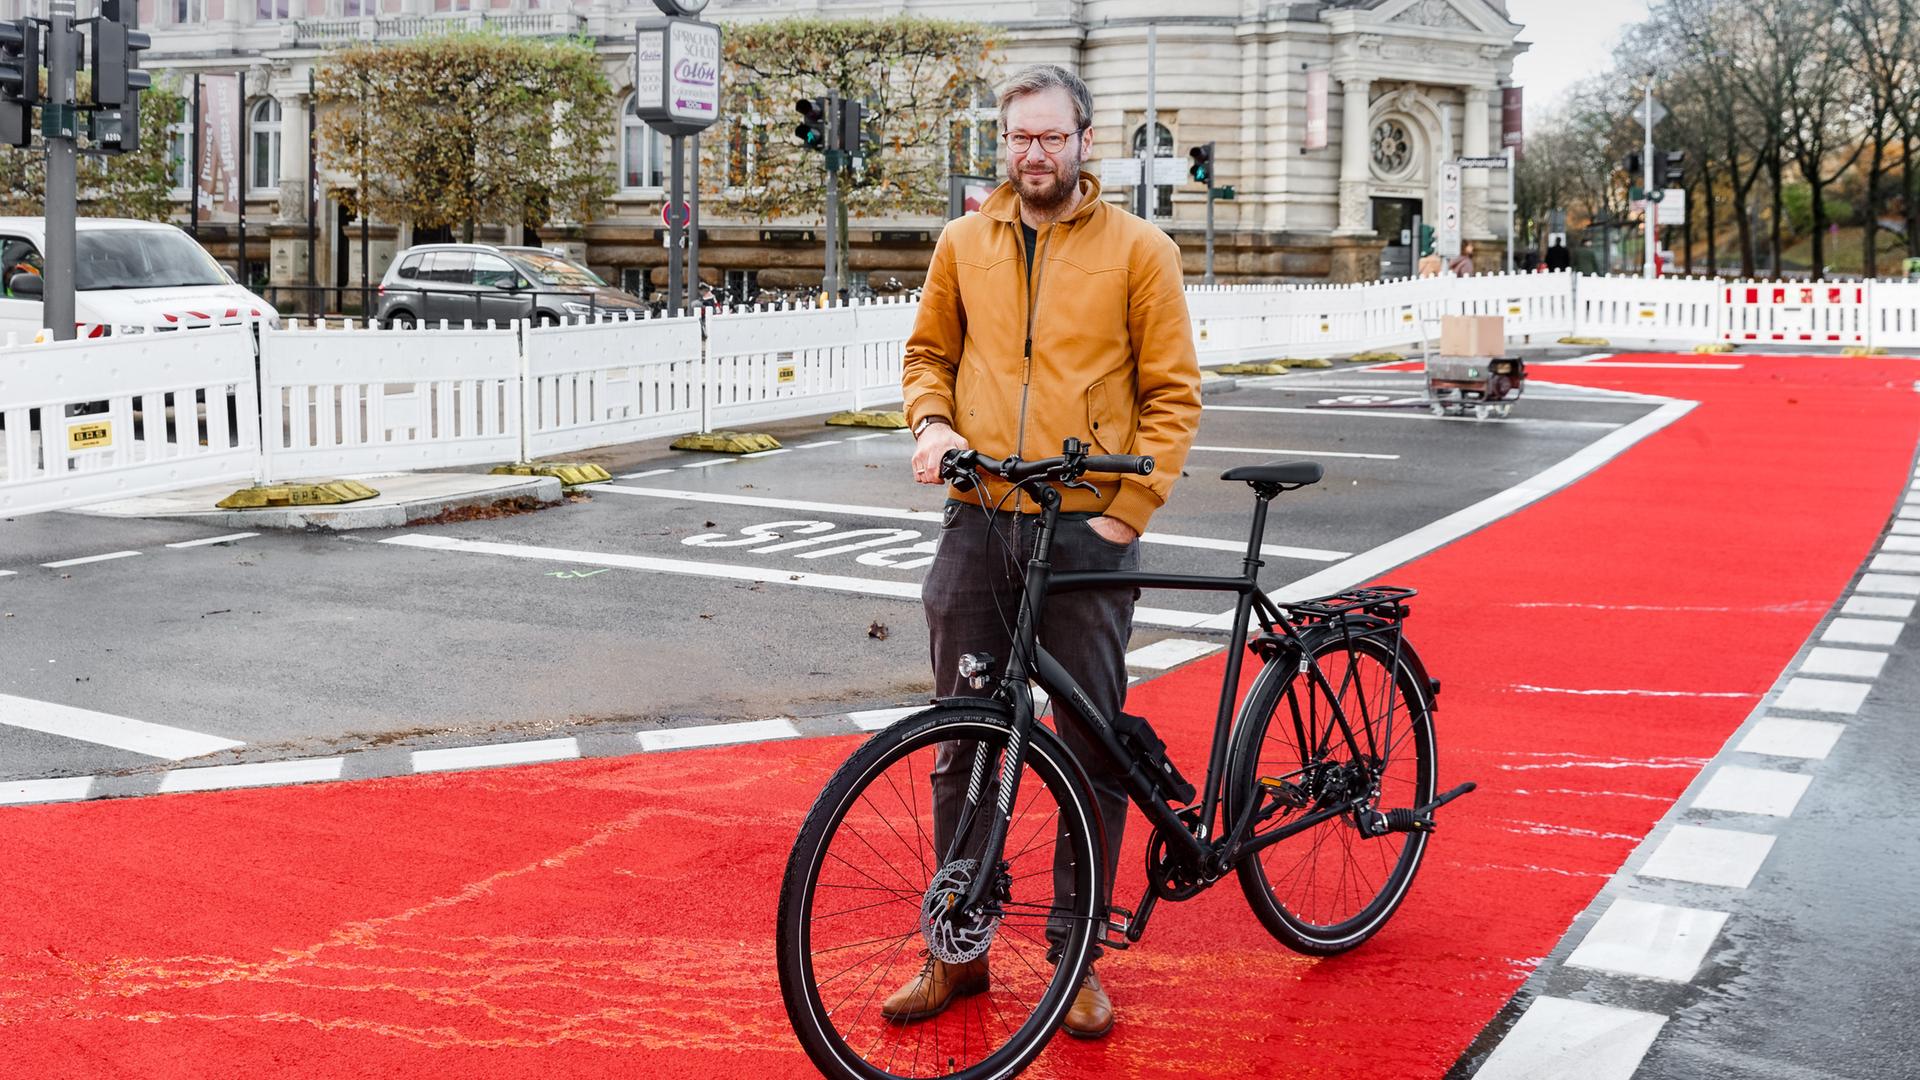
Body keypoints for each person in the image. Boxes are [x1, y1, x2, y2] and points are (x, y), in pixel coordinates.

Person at [897, 63, 1201, 1040]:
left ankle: (1076, 958)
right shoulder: (962, 243)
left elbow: (1173, 393)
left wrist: (1125, 514)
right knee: (962, 741)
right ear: (1006, 141)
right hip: (979, 519)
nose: (1035, 154)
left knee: (1089, 751)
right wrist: (932, 423)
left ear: (1084, 140)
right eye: (1020, 138)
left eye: (1051, 137)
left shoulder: (1138, 250)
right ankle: (960, 949)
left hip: (1084, 533)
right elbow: (928, 357)